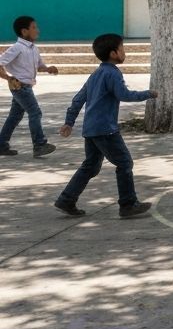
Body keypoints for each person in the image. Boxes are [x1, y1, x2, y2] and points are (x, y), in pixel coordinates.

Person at [53, 33, 157, 218]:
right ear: (113, 53)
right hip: (105, 129)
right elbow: (124, 95)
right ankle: (128, 204)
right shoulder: (112, 73)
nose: (125, 52)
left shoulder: (95, 74)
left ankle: (66, 199)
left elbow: (78, 99)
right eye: (122, 48)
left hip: (91, 129)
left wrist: (69, 122)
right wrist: (148, 94)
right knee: (125, 162)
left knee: (91, 166)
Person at [0, 16, 59, 157]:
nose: (37, 30)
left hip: (27, 87)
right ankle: (39, 145)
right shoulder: (17, 48)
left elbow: (39, 67)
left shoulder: (33, 49)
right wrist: (8, 78)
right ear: (24, 31)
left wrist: (48, 68)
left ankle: (1, 144)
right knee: (35, 113)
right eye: (34, 27)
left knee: (15, 116)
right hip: (20, 87)